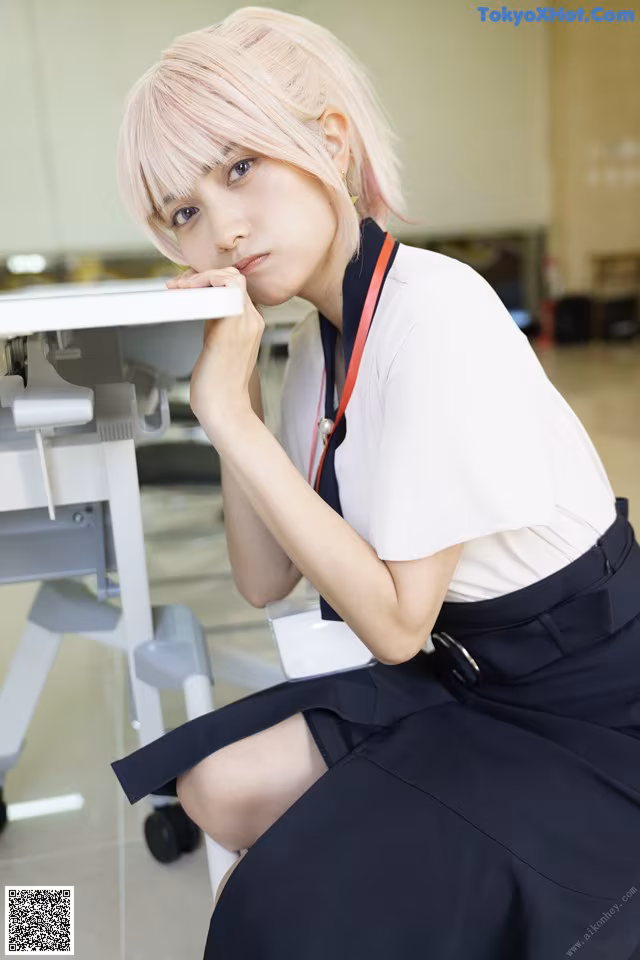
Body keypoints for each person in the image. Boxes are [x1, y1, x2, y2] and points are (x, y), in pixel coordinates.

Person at [111, 7, 640, 958]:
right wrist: (238, 384)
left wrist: (228, 417)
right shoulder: (322, 336)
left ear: (328, 142)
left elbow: (394, 626)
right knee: (213, 787)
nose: (222, 228)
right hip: (470, 674)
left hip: (591, 701)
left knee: (281, 916)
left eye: (240, 168)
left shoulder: (432, 312)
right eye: (185, 212)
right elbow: (263, 578)